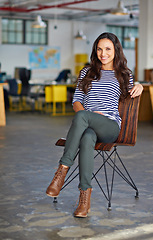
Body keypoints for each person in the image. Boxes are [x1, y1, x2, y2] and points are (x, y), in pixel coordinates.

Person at [46, 32, 143, 218]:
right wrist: (88, 115)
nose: (103, 53)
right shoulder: (86, 72)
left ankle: (62, 171)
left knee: (83, 116)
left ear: (116, 50)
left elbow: (133, 92)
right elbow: (76, 102)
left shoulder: (124, 74)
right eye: (99, 49)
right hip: (88, 125)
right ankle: (84, 199)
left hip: (110, 127)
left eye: (108, 49)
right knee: (88, 135)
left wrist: (141, 86)